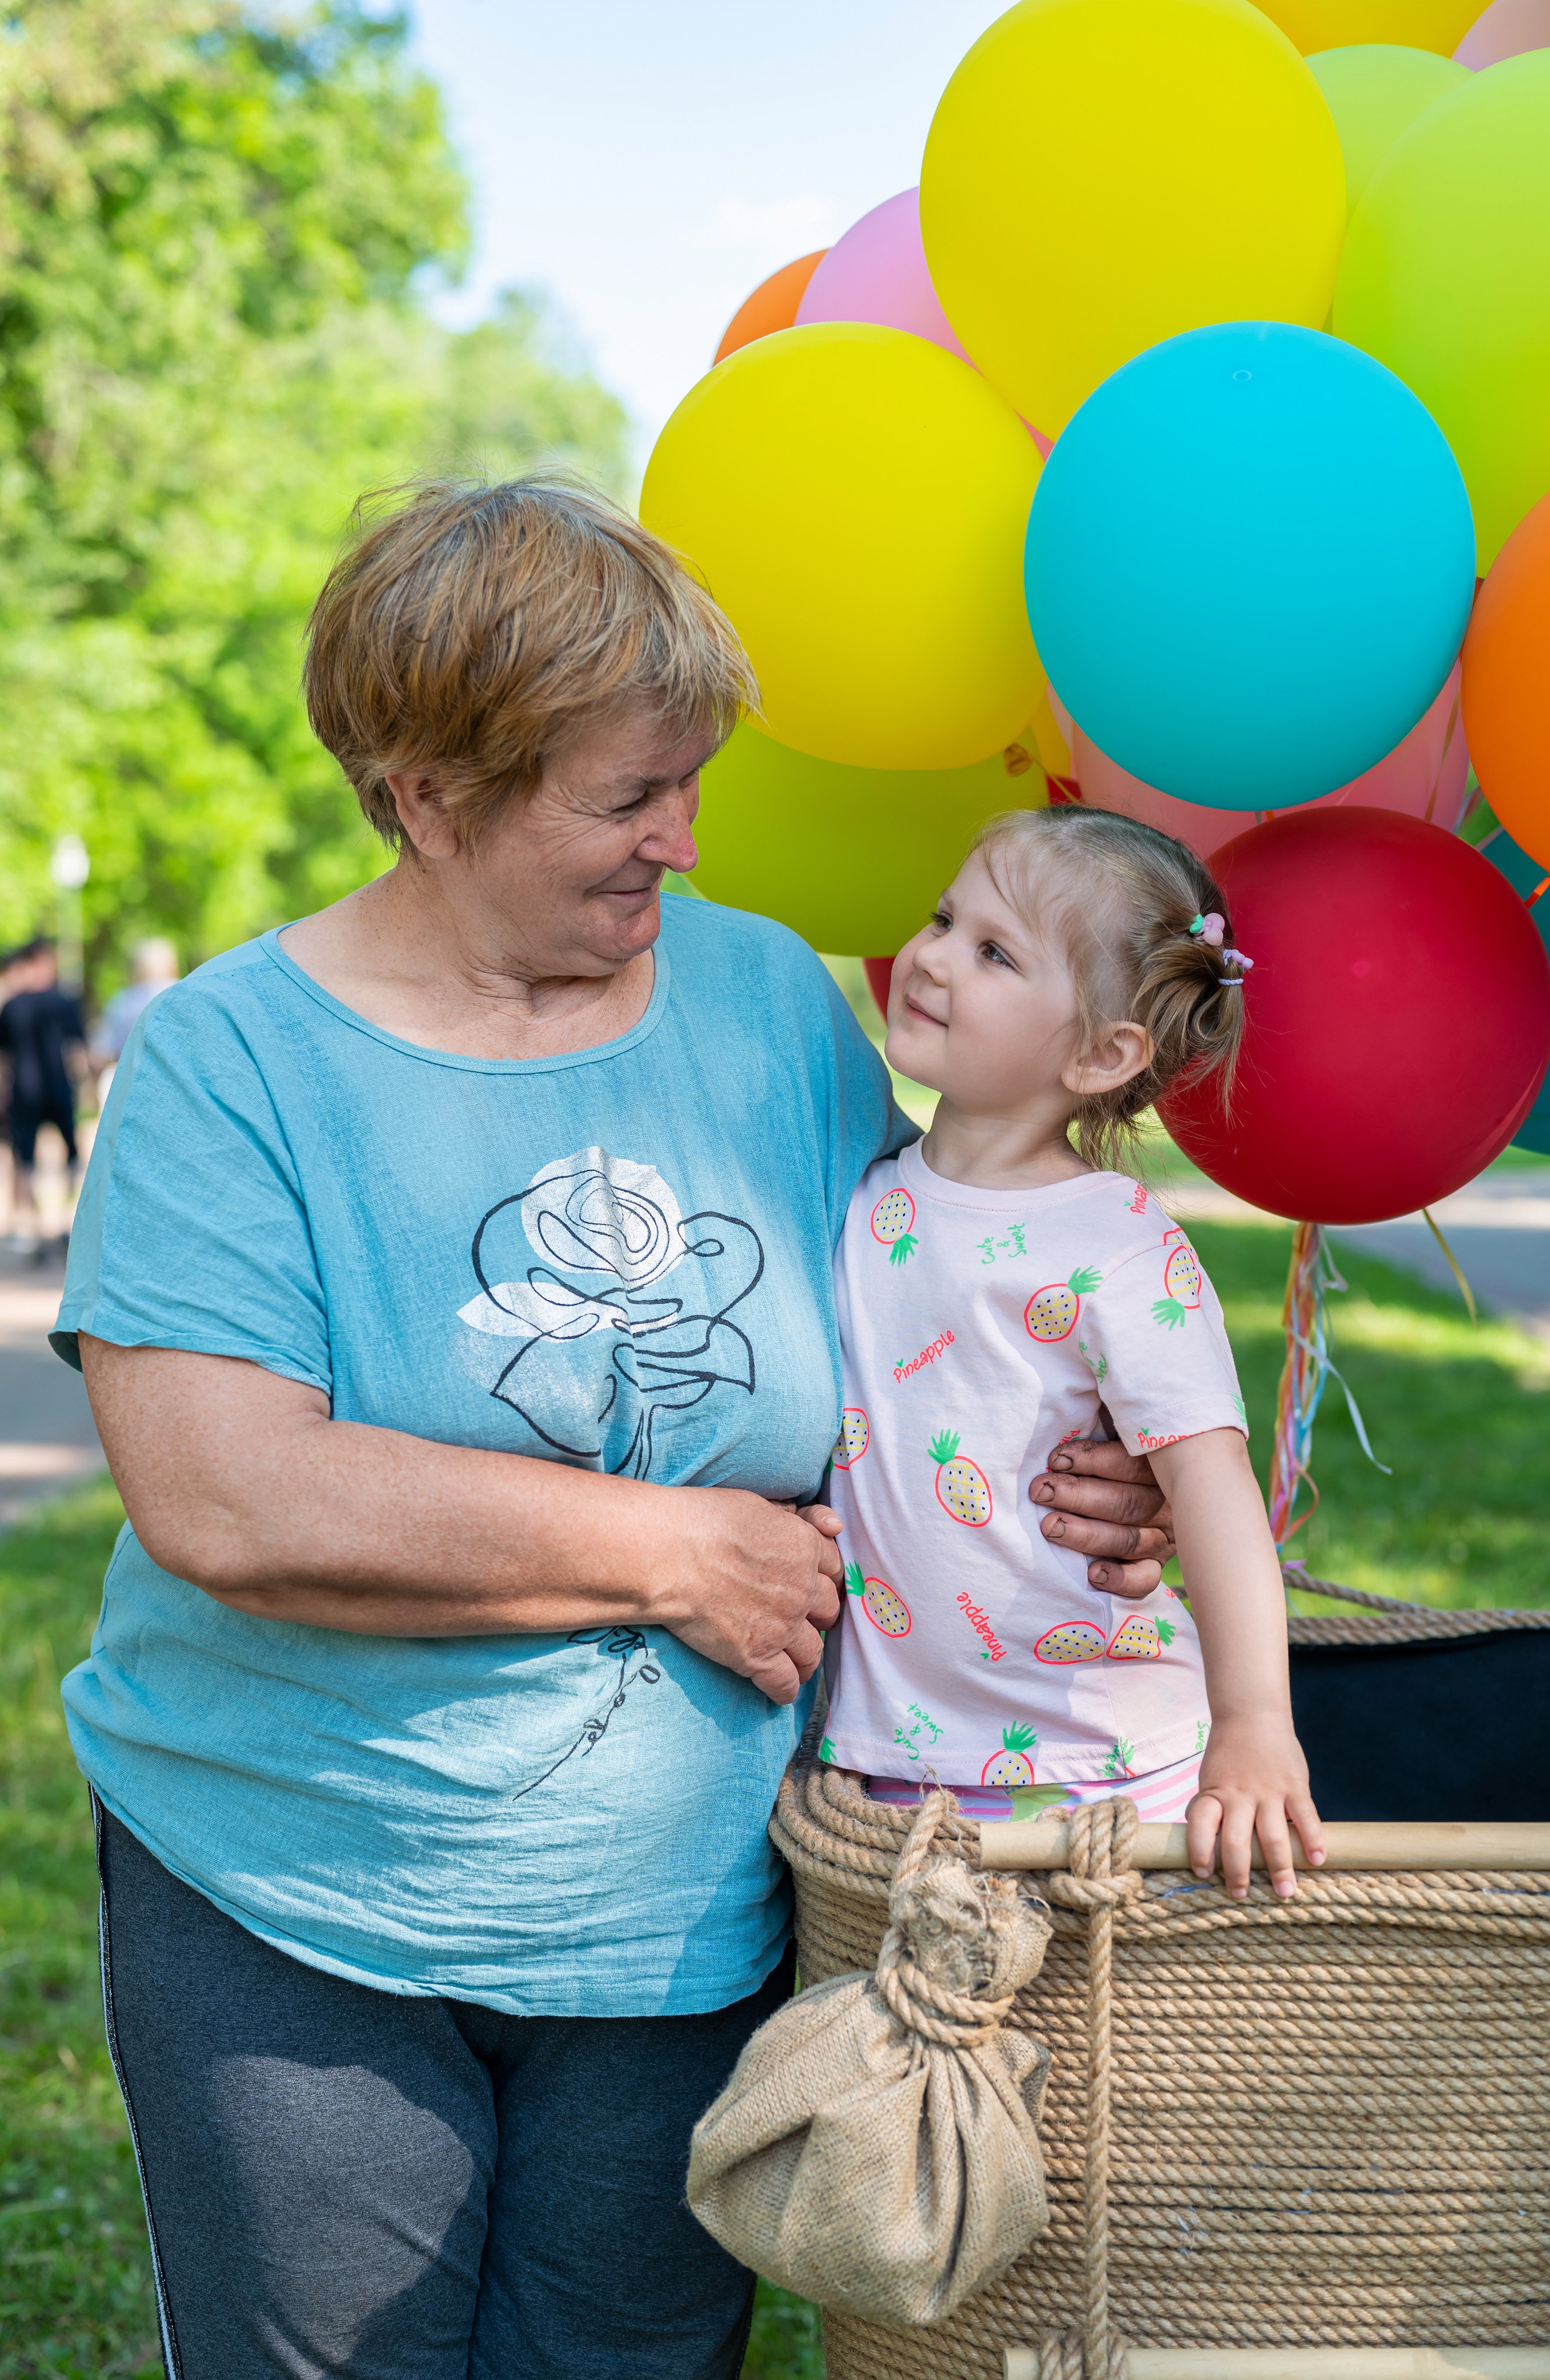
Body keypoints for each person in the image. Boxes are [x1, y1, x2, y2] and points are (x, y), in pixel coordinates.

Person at [50, 475, 1173, 2380]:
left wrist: (1084, 1457)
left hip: (693, 1912)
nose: (685, 834)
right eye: (625, 793)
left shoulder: (757, 1000)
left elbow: (915, 1331)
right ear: (426, 792)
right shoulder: (233, 1059)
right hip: (298, 1894)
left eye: (689, 779)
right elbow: (222, 1491)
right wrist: (668, 1550)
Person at [823, 803, 1325, 1900]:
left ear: (1104, 1054)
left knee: (1124, 2065)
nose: (933, 959)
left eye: (995, 952)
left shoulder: (1117, 1243)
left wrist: (1252, 1727)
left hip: (1111, 1768)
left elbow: (1211, 1481)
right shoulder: (858, 1190)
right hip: (895, 1761)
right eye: (946, 918)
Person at [0, 938, 86, 1256]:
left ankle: (30, 1230)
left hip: (23, 1091)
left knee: (25, 1160)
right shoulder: (64, 1001)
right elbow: (78, 1050)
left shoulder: (13, 1005)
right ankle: (67, 1222)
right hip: (59, 1088)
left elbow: (4, 1058)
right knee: (72, 1155)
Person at [89, 936, 180, 1108]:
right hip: (177, 1086)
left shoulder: (122, 1001)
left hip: (133, 1087)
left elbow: (102, 1050)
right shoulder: (182, 994)